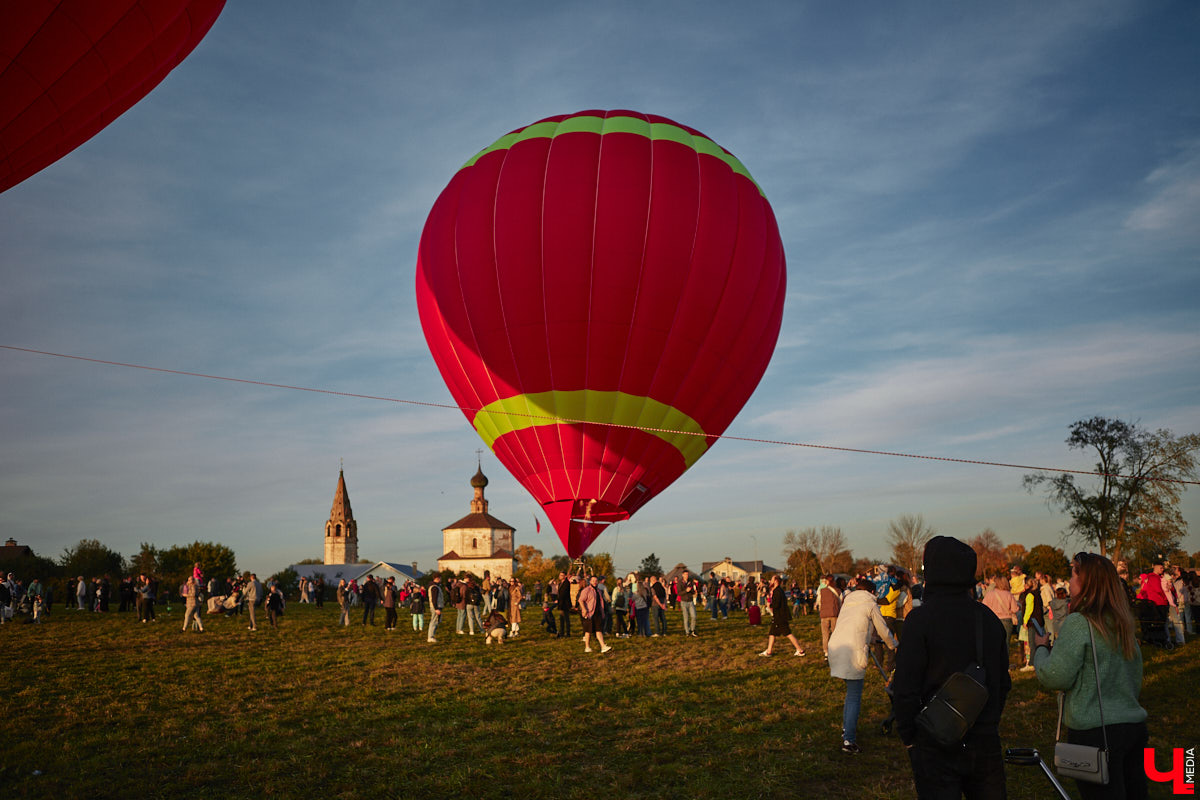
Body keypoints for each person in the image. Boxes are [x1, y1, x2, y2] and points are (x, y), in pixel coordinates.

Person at [894, 536, 1012, 799]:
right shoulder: (988, 620)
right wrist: (988, 721)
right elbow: (1002, 682)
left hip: (934, 740)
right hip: (983, 739)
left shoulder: (920, 620)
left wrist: (910, 736)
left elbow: (905, 687)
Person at [1033, 553, 1148, 799]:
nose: (1068, 581)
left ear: (1086, 583)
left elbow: (1054, 676)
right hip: (1133, 726)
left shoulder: (1079, 623)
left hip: (1095, 731)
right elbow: (1134, 674)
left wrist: (1041, 650)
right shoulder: (1121, 623)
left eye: (1073, 574)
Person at [828, 577, 897, 754]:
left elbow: (855, 625)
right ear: (872, 592)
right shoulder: (871, 604)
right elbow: (883, 630)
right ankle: (848, 741)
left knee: (850, 694)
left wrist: (871, 638)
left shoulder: (848, 602)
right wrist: (894, 646)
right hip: (853, 652)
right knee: (854, 696)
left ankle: (846, 730)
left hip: (837, 647)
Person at [758, 574, 805, 657]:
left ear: (776, 581)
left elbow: (777, 604)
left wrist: (770, 605)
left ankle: (800, 650)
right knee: (772, 633)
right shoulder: (778, 590)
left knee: (787, 633)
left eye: (772, 579)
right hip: (779, 616)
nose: (770, 581)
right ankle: (769, 651)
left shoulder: (777, 591)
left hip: (780, 617)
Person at [578, 575, 612, 654]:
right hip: (589, 613)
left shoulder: (599, 591)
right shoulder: (586, 590)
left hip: (597, 613)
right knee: (588, 631)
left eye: (596, 581)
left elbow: (600, 602)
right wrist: (584, 609)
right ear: (590, 581)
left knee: (598, 630)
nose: (595, 582)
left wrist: (602, 612)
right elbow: (581, 600)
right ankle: (587, 647)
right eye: (593, 581)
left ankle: (603, 646)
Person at [678, 570, 698, 637]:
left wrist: (694, 592)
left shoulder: (690, 581)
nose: (687, 576)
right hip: (683, 602)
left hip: (690, 601)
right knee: (686, 618)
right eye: (685, 574)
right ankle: (687, 632)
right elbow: (679, 593)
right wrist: (685, 591)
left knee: (694, 616)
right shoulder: (680, 582)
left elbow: (692, 590)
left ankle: (692, 630)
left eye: (687, 574)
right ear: (682, 575)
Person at [427, 574, 444, 642]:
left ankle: (431, 636)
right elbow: (434, 599)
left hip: (436, 606)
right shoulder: (434, 587)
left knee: (435, 621)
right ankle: (430, 637)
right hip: (436, 607)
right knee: (434, 621)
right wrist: (436, 608)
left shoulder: (434, 586)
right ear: (437, 578)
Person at [555, 572, 573, 639]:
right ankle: (562, 632)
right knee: (562, 619)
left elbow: (563, 594)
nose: (560, 576)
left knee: (566, 618)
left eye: (561, 575)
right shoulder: (560, 583)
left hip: (565, 604)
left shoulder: (566, 583)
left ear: (565, 576)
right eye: (559, 575)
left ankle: (567, 633)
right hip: (561, 603)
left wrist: (559, 601)